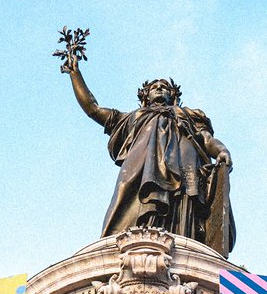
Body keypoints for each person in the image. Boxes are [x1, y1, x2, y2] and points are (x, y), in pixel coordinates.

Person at [63, 54, 235, 252]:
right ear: (145, 96)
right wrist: (75, 75)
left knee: (181, 215)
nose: (159, 89)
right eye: (154, 87)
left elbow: (206, 139)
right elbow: (93, 109)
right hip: (141, 169)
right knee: (131, 206)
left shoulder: (188, 115)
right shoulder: (132, 118)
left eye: (164, 86)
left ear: (174, 96)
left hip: (185, 170)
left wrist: (221, 150)